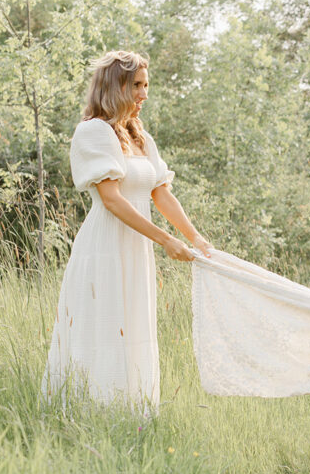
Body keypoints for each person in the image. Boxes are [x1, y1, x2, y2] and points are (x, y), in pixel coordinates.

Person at [43, 51, 212, 411]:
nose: (144, 93)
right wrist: (166, 240)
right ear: (115, 85)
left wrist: (193, 236)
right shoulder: (93, 132)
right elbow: (113, 201)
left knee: (133, 329)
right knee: (104, 329)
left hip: (137, 248)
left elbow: (161, 193)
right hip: (106, 245)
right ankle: (88, 414)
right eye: (137, 85)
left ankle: (132, 416)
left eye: (146, 85)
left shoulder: (140, 137)